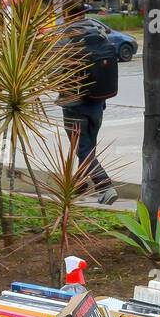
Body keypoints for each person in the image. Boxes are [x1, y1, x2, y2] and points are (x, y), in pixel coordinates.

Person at [60, 22, 119, 204]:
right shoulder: (98, 31)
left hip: (75, 106)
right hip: (98, 104)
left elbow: (54, 73)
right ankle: (80, 185)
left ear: (65, 12)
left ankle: (105, 187)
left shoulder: (65, 38)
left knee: (83, 150)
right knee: (87, 149)